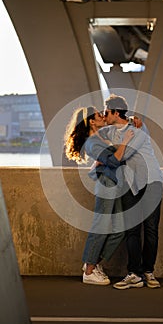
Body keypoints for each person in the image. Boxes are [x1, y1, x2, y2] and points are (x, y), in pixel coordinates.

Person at [98, 94, 163, 289]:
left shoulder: (138, 129)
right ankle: (134, 273)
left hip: (152, 181)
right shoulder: (111, 130)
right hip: (131, 184)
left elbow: (122, 156)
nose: (104, 115)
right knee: (131, 230)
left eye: (106, 112)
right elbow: (94, 130)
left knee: (151, 230)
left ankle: (148, 271)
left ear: (116, 112)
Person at [64, 106, 134, 285]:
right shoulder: (92, 142)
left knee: (119, 230)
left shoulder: (102, 137)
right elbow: (113, 160)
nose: (103, 116)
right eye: (98, 115)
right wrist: (125, 142)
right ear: (92, 122)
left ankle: (93, 263)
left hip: (115, 185)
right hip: (106, 187)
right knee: (100, 227)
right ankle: (89, 270)